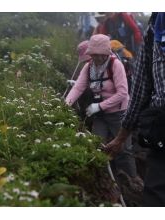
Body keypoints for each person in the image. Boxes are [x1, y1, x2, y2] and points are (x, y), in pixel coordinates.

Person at [105, 13, 165, 207]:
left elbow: (134, 90)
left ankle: (132, 175)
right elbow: (141, 88)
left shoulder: (120, 62)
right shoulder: (155, 28)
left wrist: (121, 136)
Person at [65, 34, 140, 190]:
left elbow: (122, 94)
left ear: (106, 52)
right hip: (100, 115)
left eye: (101, 54)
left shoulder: (115, 65)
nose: (97, 58)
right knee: (97, 144)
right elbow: (78, 87)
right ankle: (105, 179)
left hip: (119, 113)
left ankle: (132, 181)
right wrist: (65, 104)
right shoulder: (89, 67)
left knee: (124, 149)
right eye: (94, 54)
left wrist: (99, 106)